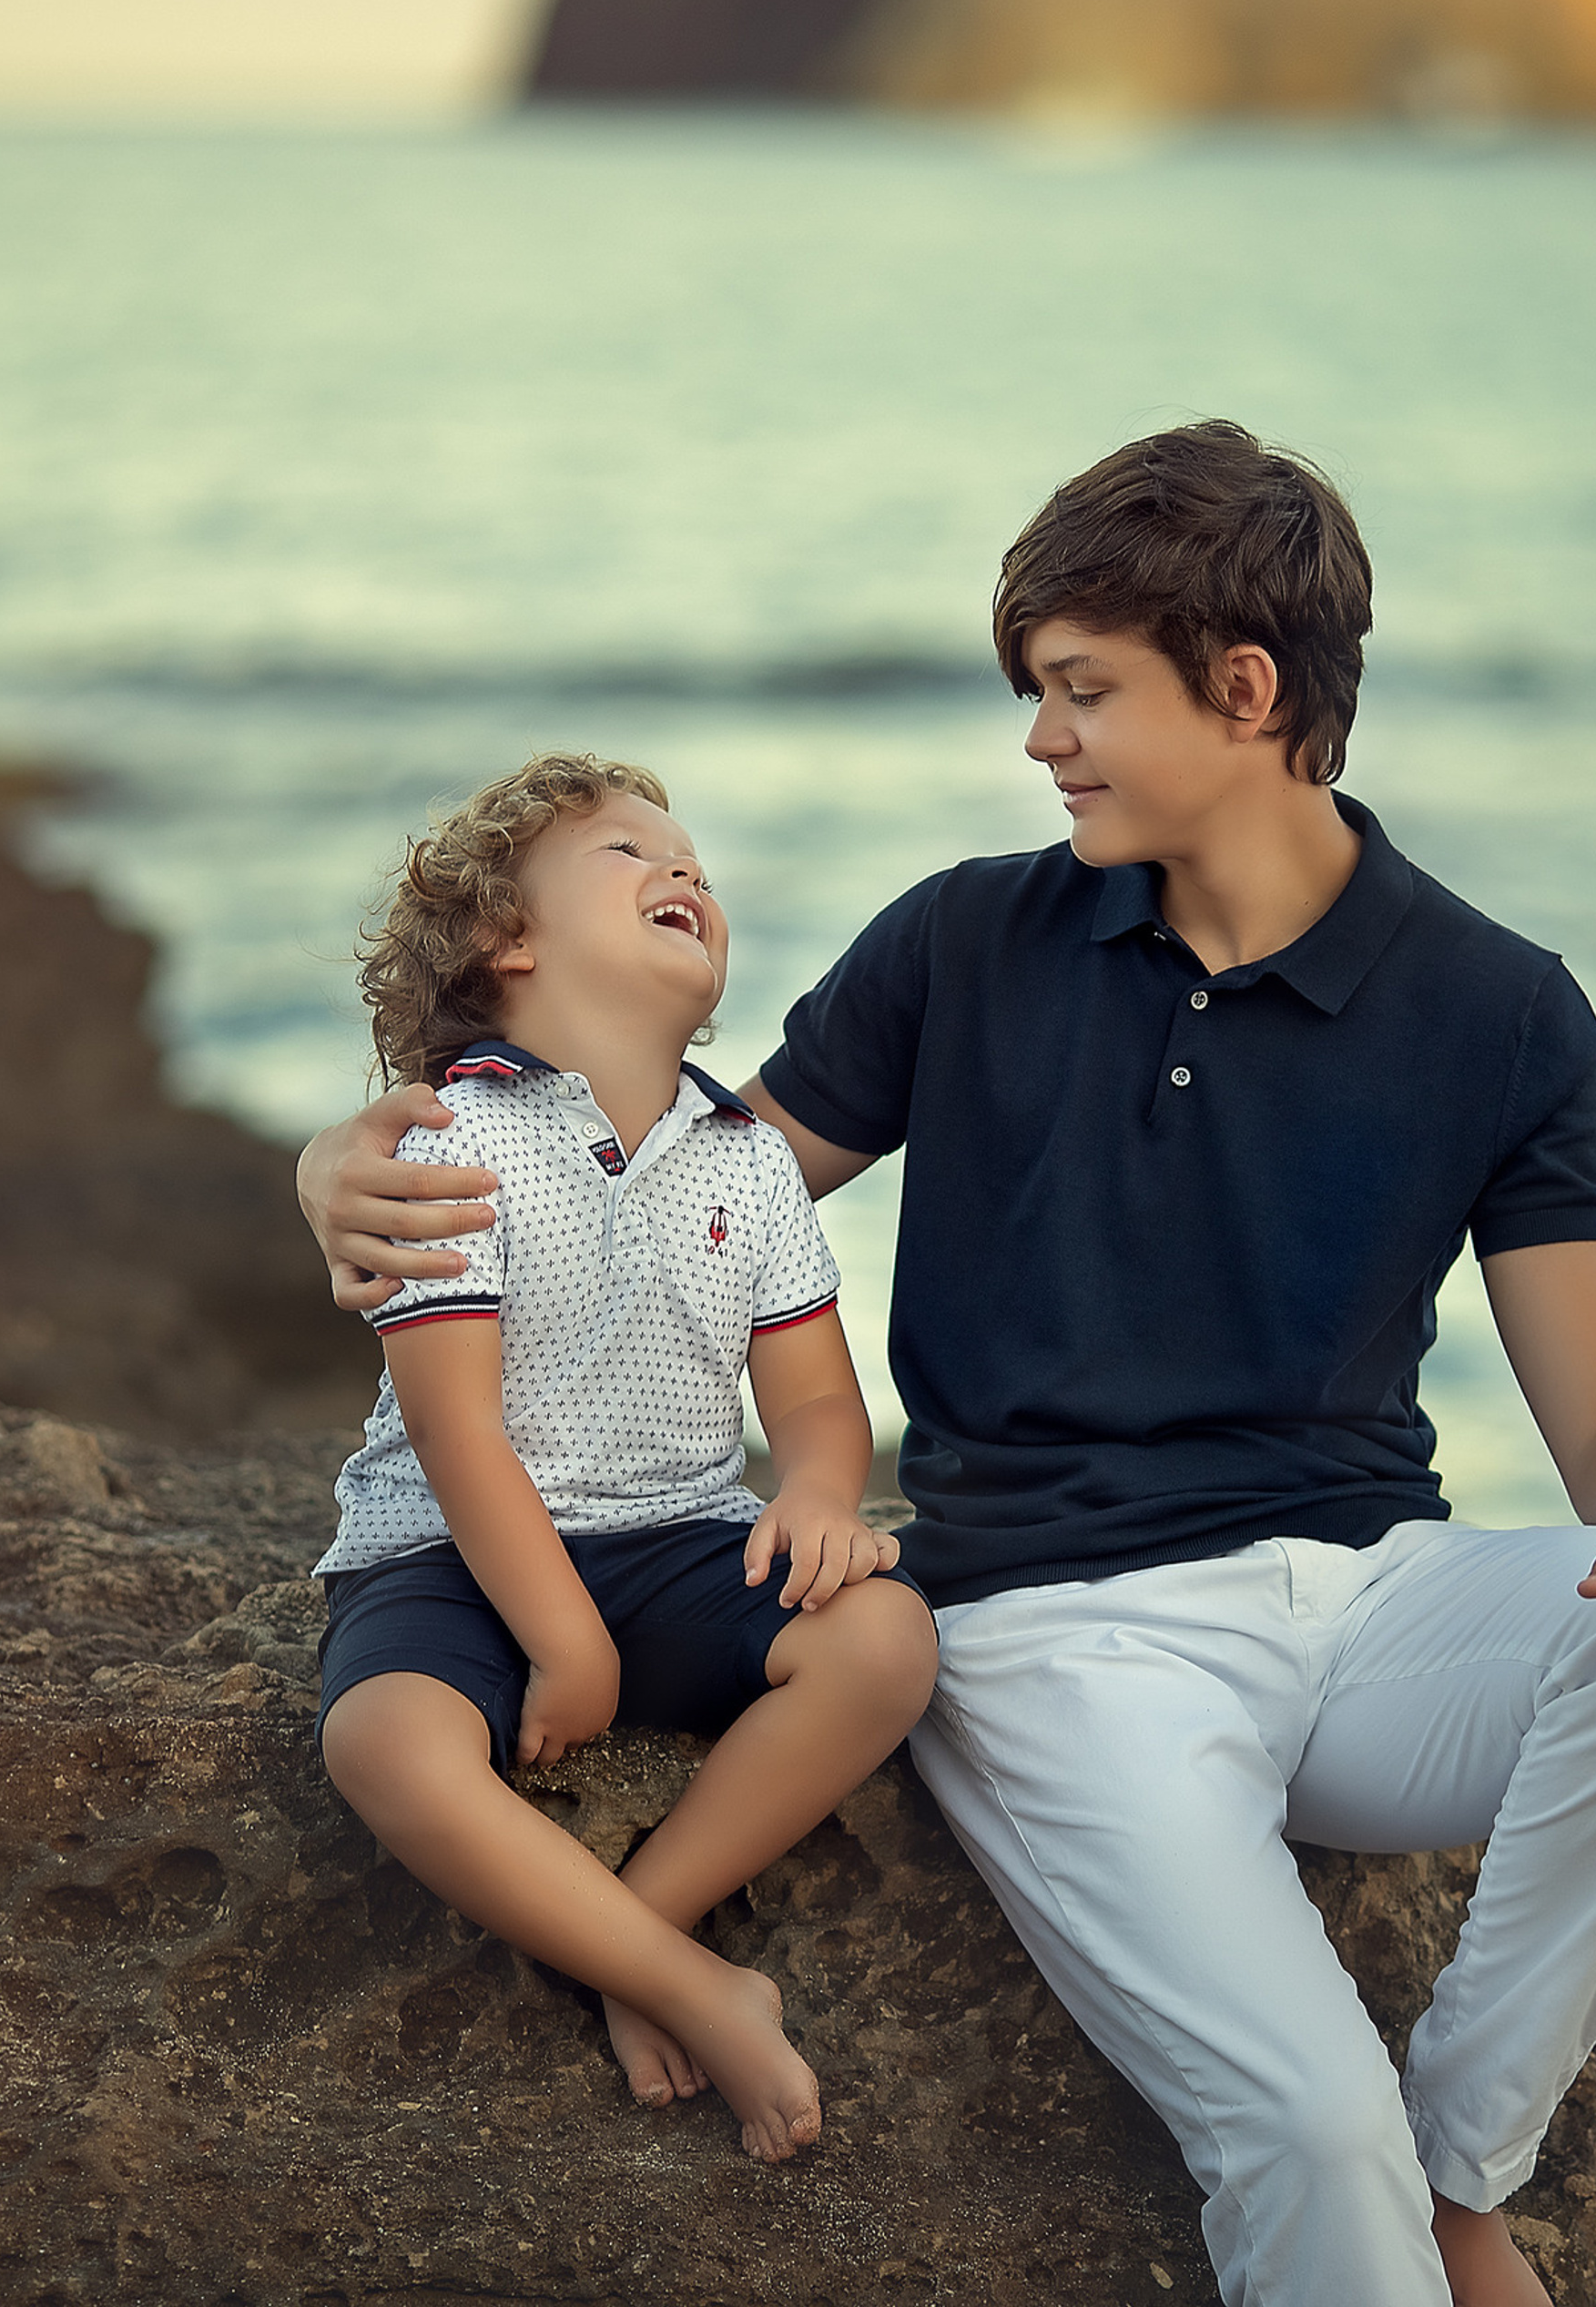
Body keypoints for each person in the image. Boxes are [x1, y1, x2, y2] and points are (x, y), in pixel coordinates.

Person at [298, 427, 1596, 2305]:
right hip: (1057, 1630)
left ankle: (1467, 2160)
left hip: (1369, 1600)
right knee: (1306, 2141)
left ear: (1243, 692)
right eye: (1034, 693)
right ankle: (1396, 2190)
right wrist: (345, 1157)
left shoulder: (1500, 1011)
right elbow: (668, 1184)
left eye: (1080, 690)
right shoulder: (967, 939)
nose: (1038, 738)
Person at [310, 751, 939, 2167]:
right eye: (629, 854)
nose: (685, 875)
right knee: (382, 1743)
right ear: (504, 941)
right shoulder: (451, 1141)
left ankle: (639, 1939)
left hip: (674, 1540)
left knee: (887, 1642)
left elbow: (822, 1412)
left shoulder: (746, 1159)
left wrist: (826, 1502)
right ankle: (698, 1984)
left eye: (697, 866)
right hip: (450, 1551)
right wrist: (562, 1641)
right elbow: (454, 1429)